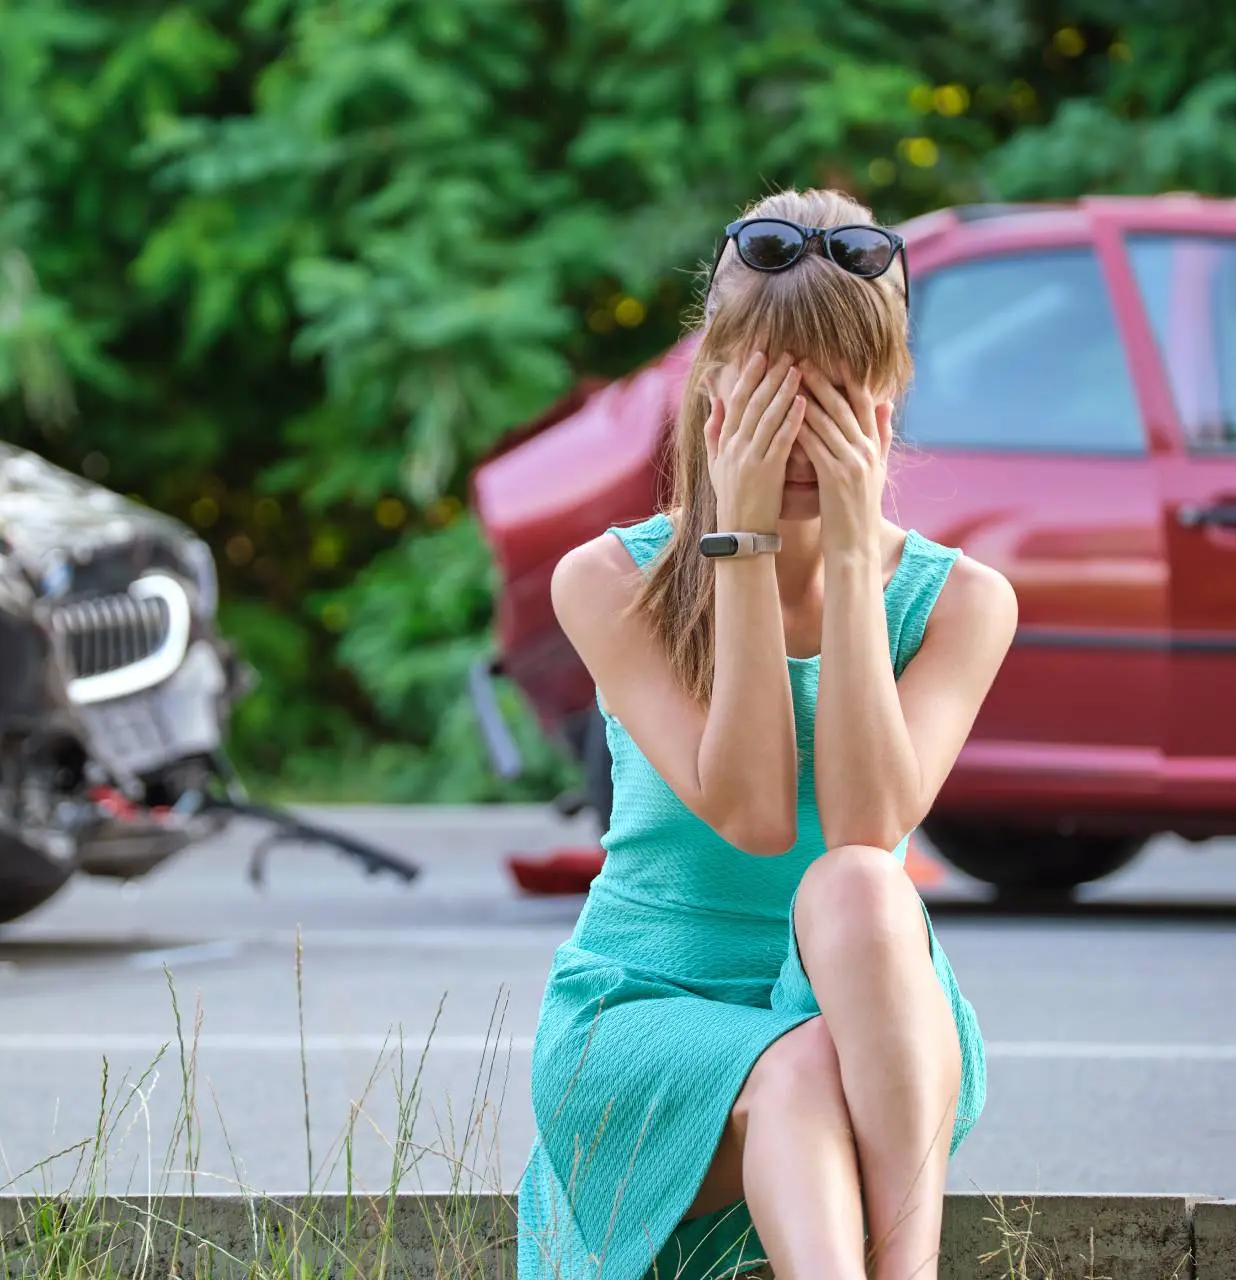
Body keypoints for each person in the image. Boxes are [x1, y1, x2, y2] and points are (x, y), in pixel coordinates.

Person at [518, 188, 1018, 1280]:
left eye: (835, 395)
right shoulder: (609, 581)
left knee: (861, 884)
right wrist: (741, 550)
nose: (801, 434)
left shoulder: (963, 601)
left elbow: (864, 819)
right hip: (645, 1015)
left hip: (877, 1026)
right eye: (775, 393)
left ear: (889, 401)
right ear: (714, 393)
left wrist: (847, 564)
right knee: (789, 1066)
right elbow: (749, 814)